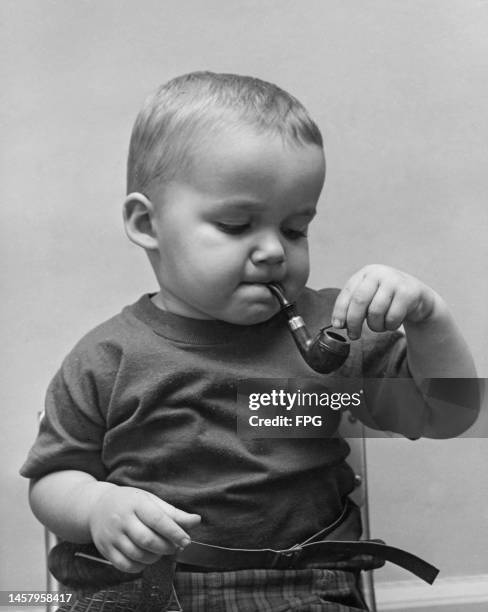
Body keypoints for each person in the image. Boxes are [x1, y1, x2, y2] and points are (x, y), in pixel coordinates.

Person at [21, 71, 478, 611]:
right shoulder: (105, 360)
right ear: (148, 223)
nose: (273, 252)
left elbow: (446, 415)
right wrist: (97, 506)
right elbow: (52, 480)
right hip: (140, 589)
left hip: (301, 587)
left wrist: (429, 318)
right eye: (238, 225)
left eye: (295, 229)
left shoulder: (336, 331)